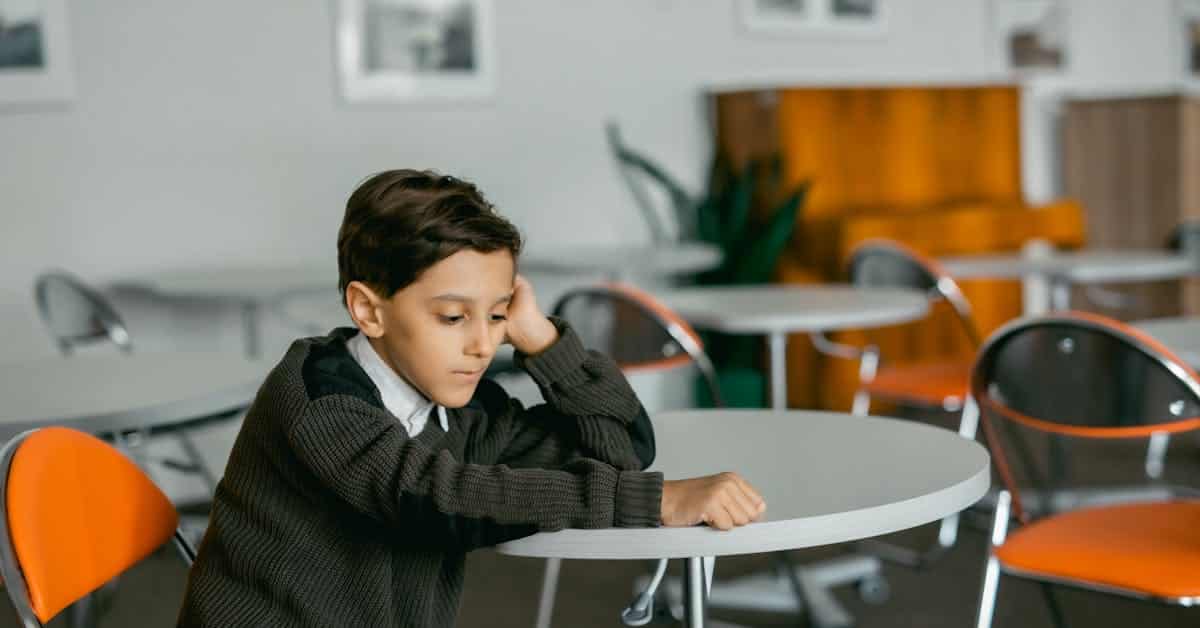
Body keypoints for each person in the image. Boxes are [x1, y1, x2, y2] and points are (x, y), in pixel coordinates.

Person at [177, 169, 765, 627]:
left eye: (498, 315)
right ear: (368, 310)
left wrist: (543, 340)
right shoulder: (318, 397)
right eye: (454, 316)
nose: (484, 343)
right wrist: (652, 502)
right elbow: (434, 497)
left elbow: (623, 447)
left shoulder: (465, 410)